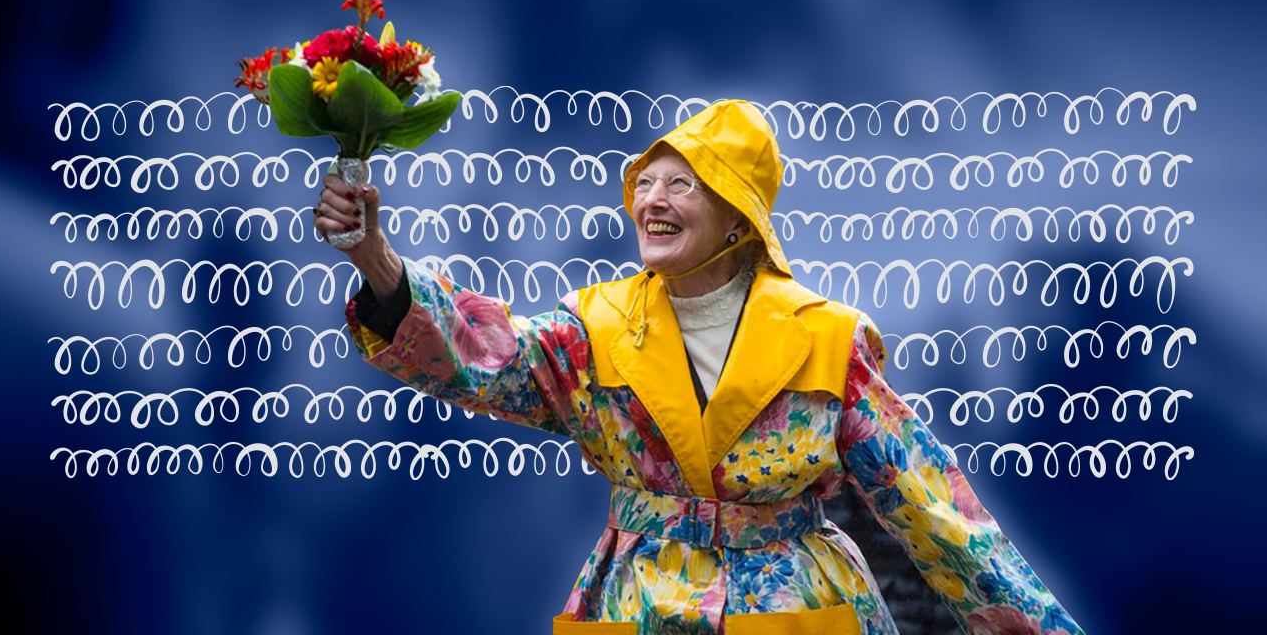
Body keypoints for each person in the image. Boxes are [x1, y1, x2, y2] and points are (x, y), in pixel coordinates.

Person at [313, 100, 1083, 634]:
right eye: (645, 183)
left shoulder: (827, 340)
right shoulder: (594, 328)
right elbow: (482, 355)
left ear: (738, 217)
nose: (652, 200)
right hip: (640, 606)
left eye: (680, 184)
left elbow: (935, 509)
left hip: (797, 610)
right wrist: (375, 257)